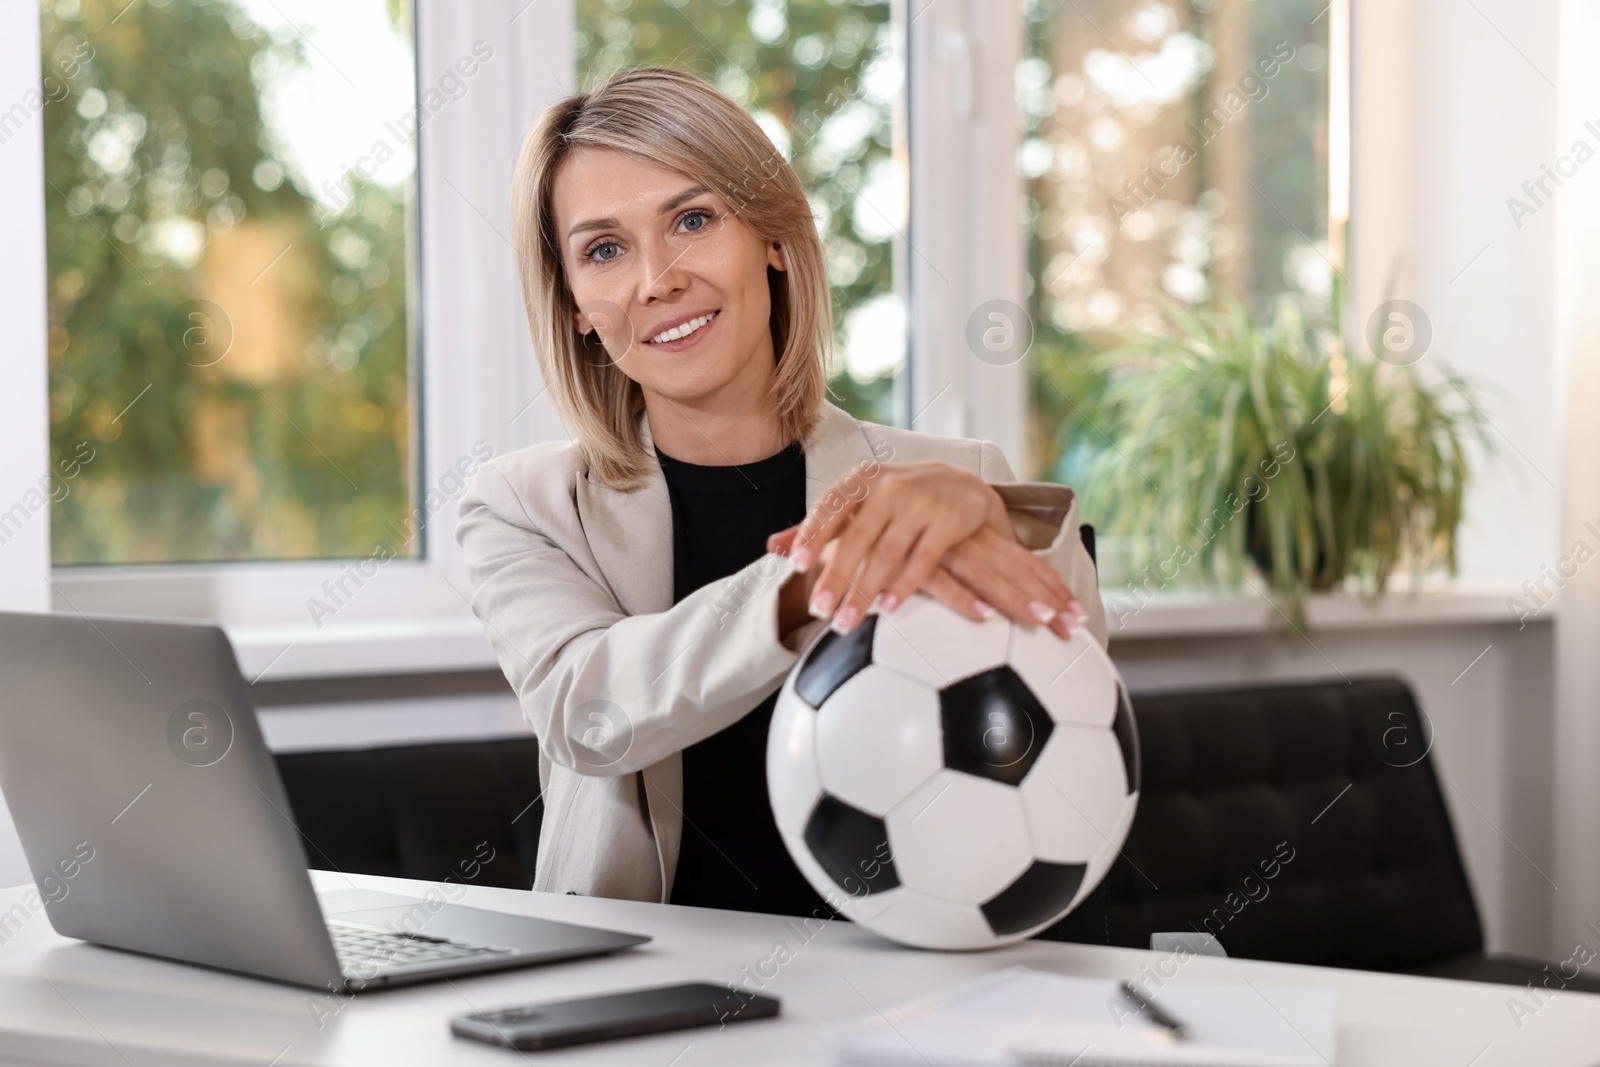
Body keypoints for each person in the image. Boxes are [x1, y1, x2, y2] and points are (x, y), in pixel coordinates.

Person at [456, 67, 1109, 918]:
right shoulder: (522, 504)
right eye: (604, 250)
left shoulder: (960, 479)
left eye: (692, 220)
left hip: (914, 988)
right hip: (640, 1006)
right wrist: (812, 577)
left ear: (768, 235)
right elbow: (592, 714)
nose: (657, 279)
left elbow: (1081, 717)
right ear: (576, 303)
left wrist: (1008, 521)